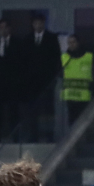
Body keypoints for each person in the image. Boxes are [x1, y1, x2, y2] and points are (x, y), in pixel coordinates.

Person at [21, 12, 61, 141]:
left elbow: (56, 58)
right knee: (32, 110)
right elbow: (24, 60)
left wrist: (54, 77)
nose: (38, 25)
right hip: (31, 82)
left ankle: (49, 136)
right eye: (36, 23)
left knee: (47, 109)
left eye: (40, 23)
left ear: (44, 24)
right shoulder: (27, 39)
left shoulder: (51, 38)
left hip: (47, 81)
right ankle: (34, 136)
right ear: (33, 24)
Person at [0, 19, 23, 141]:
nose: (3, 30)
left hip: (13, 84)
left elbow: (20, 63)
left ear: (10, 28)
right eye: (1, 28)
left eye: (5, 27)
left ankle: (15, 137)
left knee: (13, 112)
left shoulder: (17, 43)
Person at [61, 35, 94, 126]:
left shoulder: (89, 57)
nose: (71, 45)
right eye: (69, 43)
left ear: (78, 43)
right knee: (72, 122)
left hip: (84, 97)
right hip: (70, 97)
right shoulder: (64, 58)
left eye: (73, 42)